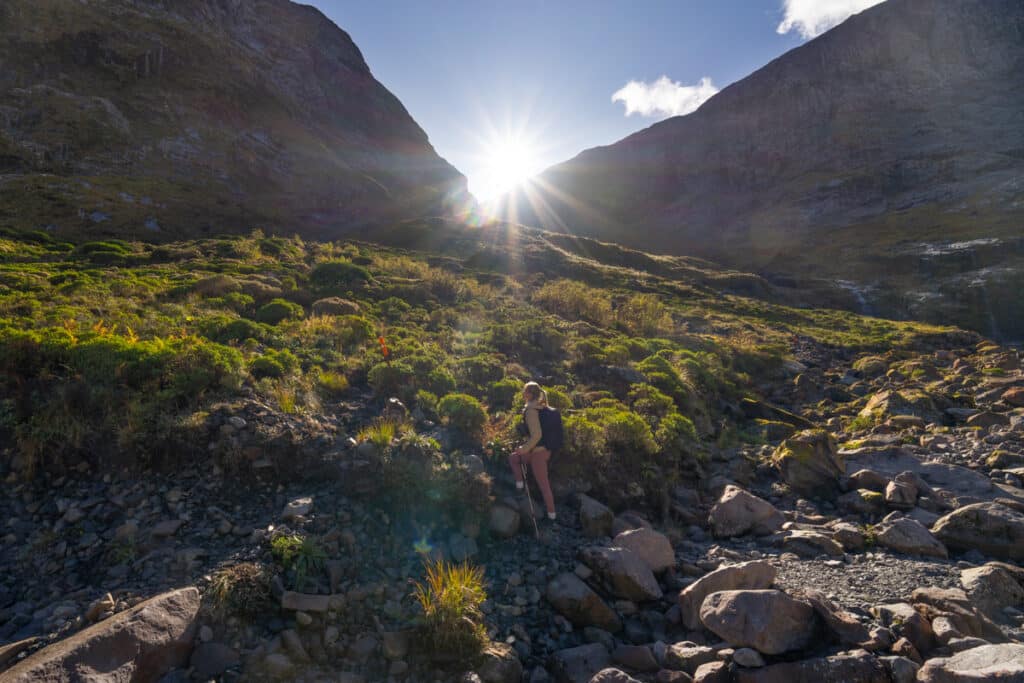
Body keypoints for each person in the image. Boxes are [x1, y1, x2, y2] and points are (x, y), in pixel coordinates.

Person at [509, 381, 557, 521]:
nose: (523, 394)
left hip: (538, 454)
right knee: (513, 458)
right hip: (545, 451)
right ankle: (520, 487)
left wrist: (523, 449)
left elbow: (537, 435)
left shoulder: (531, 410)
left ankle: (552, 515)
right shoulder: (542, 407)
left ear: (530, 394)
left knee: (543, 484)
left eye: (525, 391)